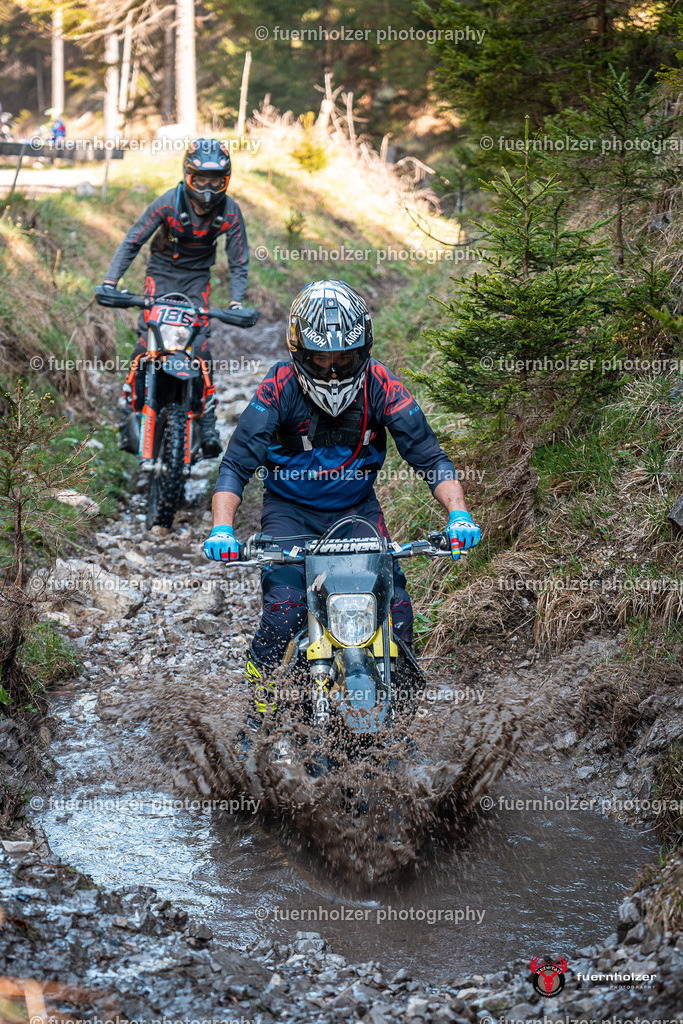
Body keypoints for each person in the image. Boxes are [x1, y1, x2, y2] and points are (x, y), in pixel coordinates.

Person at [203, 279, 481, 742]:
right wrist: (222, 529)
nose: (333, 371)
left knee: (399, 615)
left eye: (345, 357)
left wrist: (458, 515)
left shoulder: (382, 386)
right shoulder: (277, 387)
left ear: (364, 350)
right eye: (321, 358)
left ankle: (398, 719)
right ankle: (258, 709)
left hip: (356, 511)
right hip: (290, 513)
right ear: (299, 351)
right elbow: (236, 464)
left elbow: (431, 457)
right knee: (285, 611)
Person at [100, 138, 249, 458]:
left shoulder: (231, 211)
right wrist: (111, 281)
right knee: (148, 341)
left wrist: (236, 302)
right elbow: (132, 242)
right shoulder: (168, 203)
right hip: (162, 275)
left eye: (216, 181)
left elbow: (238, 261)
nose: (208, 189)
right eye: (200, 180)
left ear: (226, 180)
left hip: (198, 281)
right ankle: (128, 409)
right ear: (187, 176)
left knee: (200, 347)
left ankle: (207, 423)